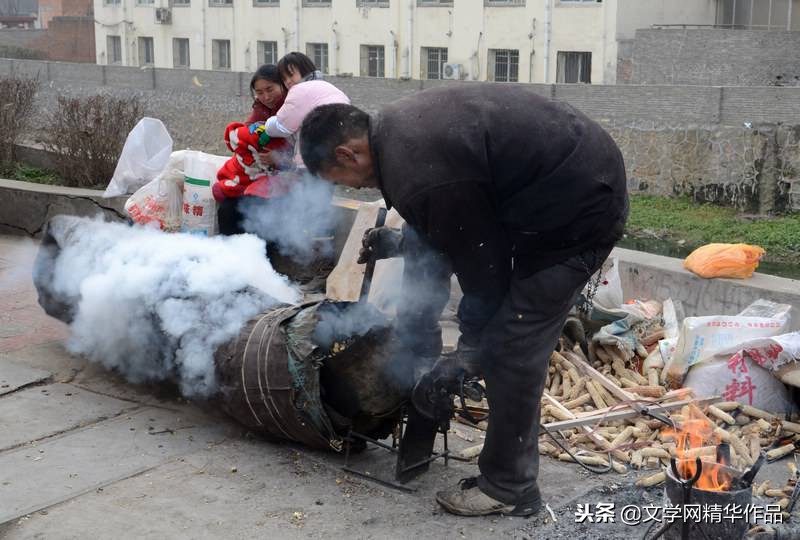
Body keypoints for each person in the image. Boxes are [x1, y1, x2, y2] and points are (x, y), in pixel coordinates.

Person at [297, 85, 629, 517]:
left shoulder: (417, 170)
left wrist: (470, 352)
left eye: (340, 182)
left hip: (578, 213)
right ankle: (498, 465)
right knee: (488, 323)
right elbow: (451, 224)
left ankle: (509, 488)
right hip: (548, 190)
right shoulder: (396, 136)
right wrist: (401, 242)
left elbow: (484, 273)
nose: (354, 189)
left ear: (346, 155)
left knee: (512, 347)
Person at [216, 64, 290, 235]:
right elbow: (247, 137)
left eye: (270, 89)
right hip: (259, 175)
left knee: (260, 211)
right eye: (260, 92)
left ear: (283, 85)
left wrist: (278, 159)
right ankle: (229, 255)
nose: (266, 96)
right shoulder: (261, 109)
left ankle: (264, 259)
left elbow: (303, 156)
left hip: (287, 177)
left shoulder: (292, 111)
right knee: (227, 209)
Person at [263, 52, 350, 171]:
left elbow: (283, 126)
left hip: (311, 162)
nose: (288, 81)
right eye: (284, 79)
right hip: (337, 160)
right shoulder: (329, 88)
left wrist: (266, 125)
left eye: (291, 75)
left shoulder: (300, 91)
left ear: (305, 70)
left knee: (307, 188)